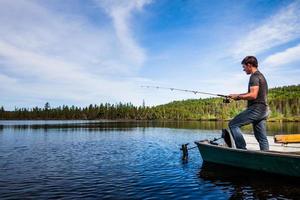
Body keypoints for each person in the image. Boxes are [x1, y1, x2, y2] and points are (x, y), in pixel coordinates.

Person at [228, 56, 269, 150]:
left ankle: (242, 150)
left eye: (244, 67)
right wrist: (236, 96)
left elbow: (253, 95)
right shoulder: (261, 76)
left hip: (256, 109)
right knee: (261, 137)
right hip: (263, 110)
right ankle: (265, 156)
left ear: (249, 65)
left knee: (233, 124)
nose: (243, 69)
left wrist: (237, 96)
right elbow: (252, 94)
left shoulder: (254, 76)